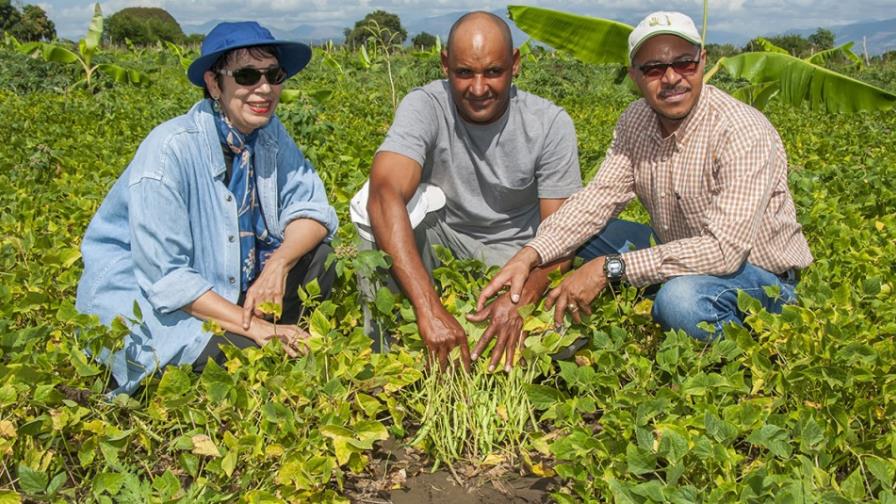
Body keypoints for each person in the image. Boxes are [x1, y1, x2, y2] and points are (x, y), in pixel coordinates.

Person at [480, 11, 812, 342]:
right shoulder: (636, 121)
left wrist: (610, 268)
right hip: (680, 253)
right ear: (635, 76)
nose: (671, 79)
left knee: (679, 302)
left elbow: (724, 251)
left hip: (758, 275)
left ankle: (750, 342)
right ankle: (650, 294)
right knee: (585, 234)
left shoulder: (741, 130)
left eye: (684, 63)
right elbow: (596, 200)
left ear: (703, 61)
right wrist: (531, 254)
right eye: (653, 69)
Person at [76, 22, 338, 395]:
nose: (264, 89)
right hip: (156, 300)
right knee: (245, 357)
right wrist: (256, 327)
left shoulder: (269, 133)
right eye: (247, 76)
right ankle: (262, 330)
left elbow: (312, 208)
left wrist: (277, 264)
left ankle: (264, 327)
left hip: (231, 280)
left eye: (273, 75)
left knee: (320, 257)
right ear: (215, 84)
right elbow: (167, 280)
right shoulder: (168, 151)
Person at [354, 11, 581, 371]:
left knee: (564, 338)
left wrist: (519, 300)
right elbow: (384, 193)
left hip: (517, 259)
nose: (478, 88)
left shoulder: (550, 125)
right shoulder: (425, 105)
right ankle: (380, 352)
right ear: (445, 65)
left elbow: (562, 239)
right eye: (464, 73)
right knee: (369, 203)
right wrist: (428, 308)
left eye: (493, 71)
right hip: (444, 243)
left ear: (515, 64)